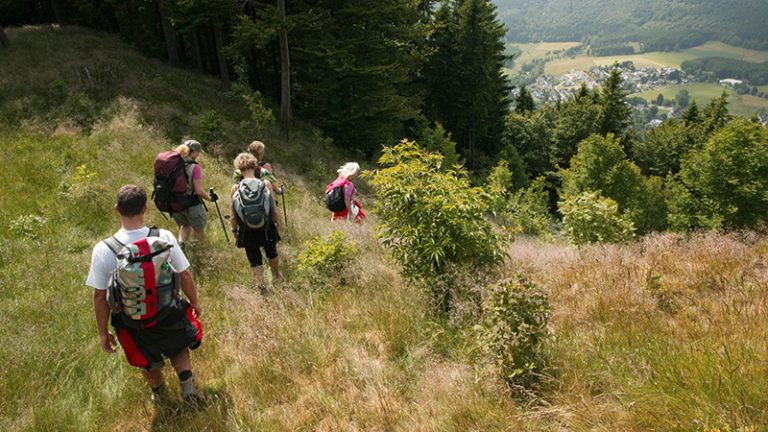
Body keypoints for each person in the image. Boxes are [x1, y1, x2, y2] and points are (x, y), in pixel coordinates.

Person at [86, 185, 204, 405]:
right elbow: (184, 275)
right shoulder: (163, 236)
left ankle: (158, 392)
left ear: (116, 209)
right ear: (145, 208)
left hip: (132, 320)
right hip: (167, 309)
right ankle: (187, 384)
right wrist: (194, 302)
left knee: (145, 357)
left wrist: (103, 333)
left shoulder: (104, 249)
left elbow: (100, 296)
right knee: (177, 344)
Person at [230, 152, 281, 293]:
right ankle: (276, 277)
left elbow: (233, 216)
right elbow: (274, 210)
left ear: (239, 169)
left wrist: (234, 231)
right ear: (255, 166)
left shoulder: (235, 188)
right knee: (271, 252)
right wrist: (277, 224)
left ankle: (261, 286)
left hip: (246, 229)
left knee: (254, 257)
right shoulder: (266, 184)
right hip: (266, 226)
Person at [172, 139, 217, 246]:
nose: (198, 155)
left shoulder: (174, 164)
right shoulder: (194, 167)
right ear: (193, 152)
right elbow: (198, 191)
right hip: (191, 204)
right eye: (198, 152)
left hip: (174, 203)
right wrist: (210, 199)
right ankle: (199, 250)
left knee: (185, 225)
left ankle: (181, 245)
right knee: (199, 230)